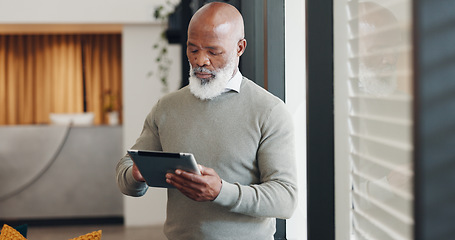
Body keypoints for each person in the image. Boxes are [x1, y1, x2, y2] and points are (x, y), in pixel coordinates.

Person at [116, 2, 297, 240]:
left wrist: (221, 192)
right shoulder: (166, 107)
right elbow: (126, 172)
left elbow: (285, 199)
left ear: (240, 47)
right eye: (193, 49)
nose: (201, 60)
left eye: (213, 51)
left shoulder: (270, 111)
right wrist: (136, 175)